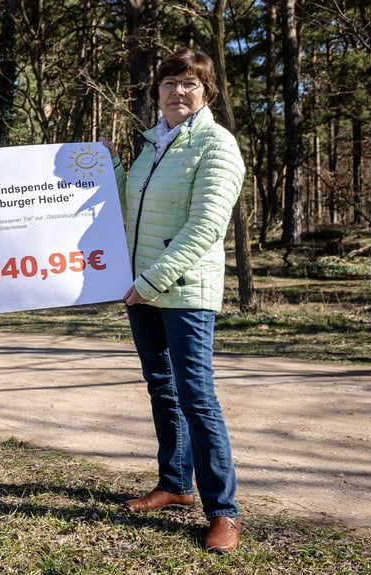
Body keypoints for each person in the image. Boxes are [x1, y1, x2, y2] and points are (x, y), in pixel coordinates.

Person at [104, 48, 245, 553]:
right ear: (156, 91)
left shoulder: (216, 145)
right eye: (169, 83)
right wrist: (104, 170)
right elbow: (128, 208)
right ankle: (175, 485)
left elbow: (206, 226)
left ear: (207, 92)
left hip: (183, 290)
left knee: (196, 396)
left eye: (189, 83)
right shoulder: (151, 144)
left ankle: (223, 511)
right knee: (161, 388)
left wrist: (154, 279)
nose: (178, 91)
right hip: (142, 289)